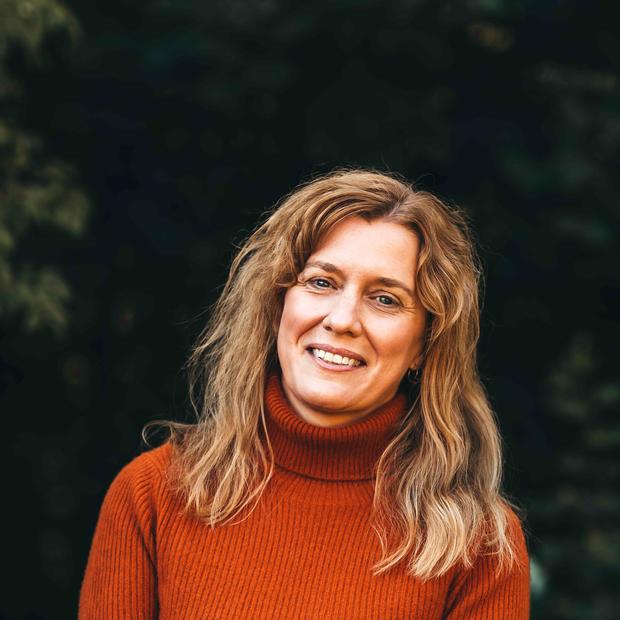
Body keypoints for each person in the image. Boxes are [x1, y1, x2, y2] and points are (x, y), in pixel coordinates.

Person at [79, 169, 530, 619]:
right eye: (321, 282)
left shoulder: (480, 546)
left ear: (425, 345)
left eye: (385, 299)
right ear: (278, 304)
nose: (342, 319)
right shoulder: (153, 495)